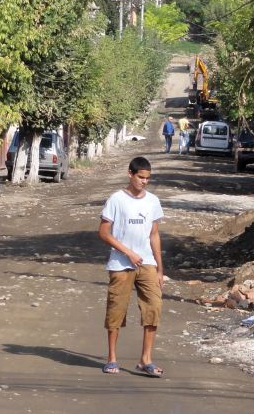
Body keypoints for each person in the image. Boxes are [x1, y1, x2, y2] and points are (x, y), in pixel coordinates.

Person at [98, 157, 165, 378]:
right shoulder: (116, 200)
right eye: (140, 177)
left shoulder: (153, 201)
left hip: (147, 264)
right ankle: (111, 359)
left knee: (153, 307)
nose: (144, 182)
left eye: (147, 178)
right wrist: (127, 252)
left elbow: (154, 235)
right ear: (130, 174)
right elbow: (104, 233)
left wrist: (159, 268)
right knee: (116, 310)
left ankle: (145, 359)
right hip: (121, 264)